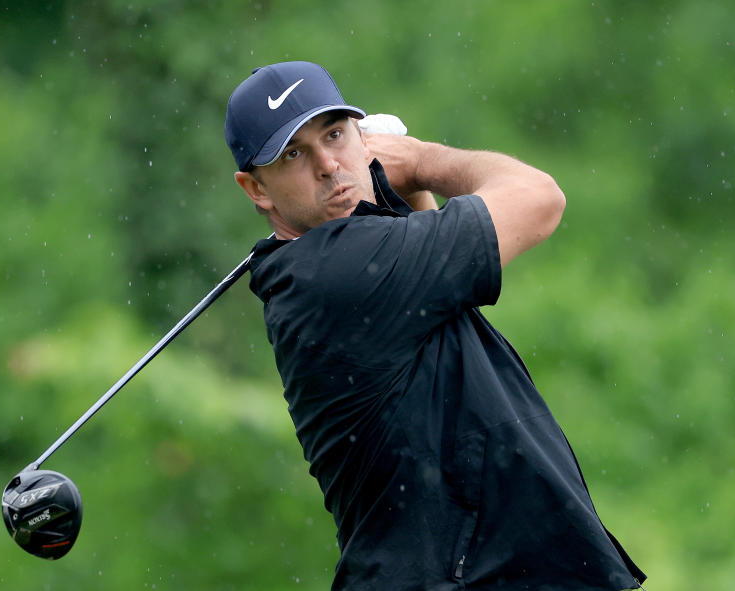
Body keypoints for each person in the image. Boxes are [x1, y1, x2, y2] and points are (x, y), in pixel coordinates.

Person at [225, 61, 646, 591]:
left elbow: (443, 295)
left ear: (360, 135)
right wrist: (419, 159)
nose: (329, 165)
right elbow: (540, 199)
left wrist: (394, 188)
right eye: (294, 154)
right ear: (256, 190)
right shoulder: (335, 270)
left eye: (335, 134)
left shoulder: (342, 269)